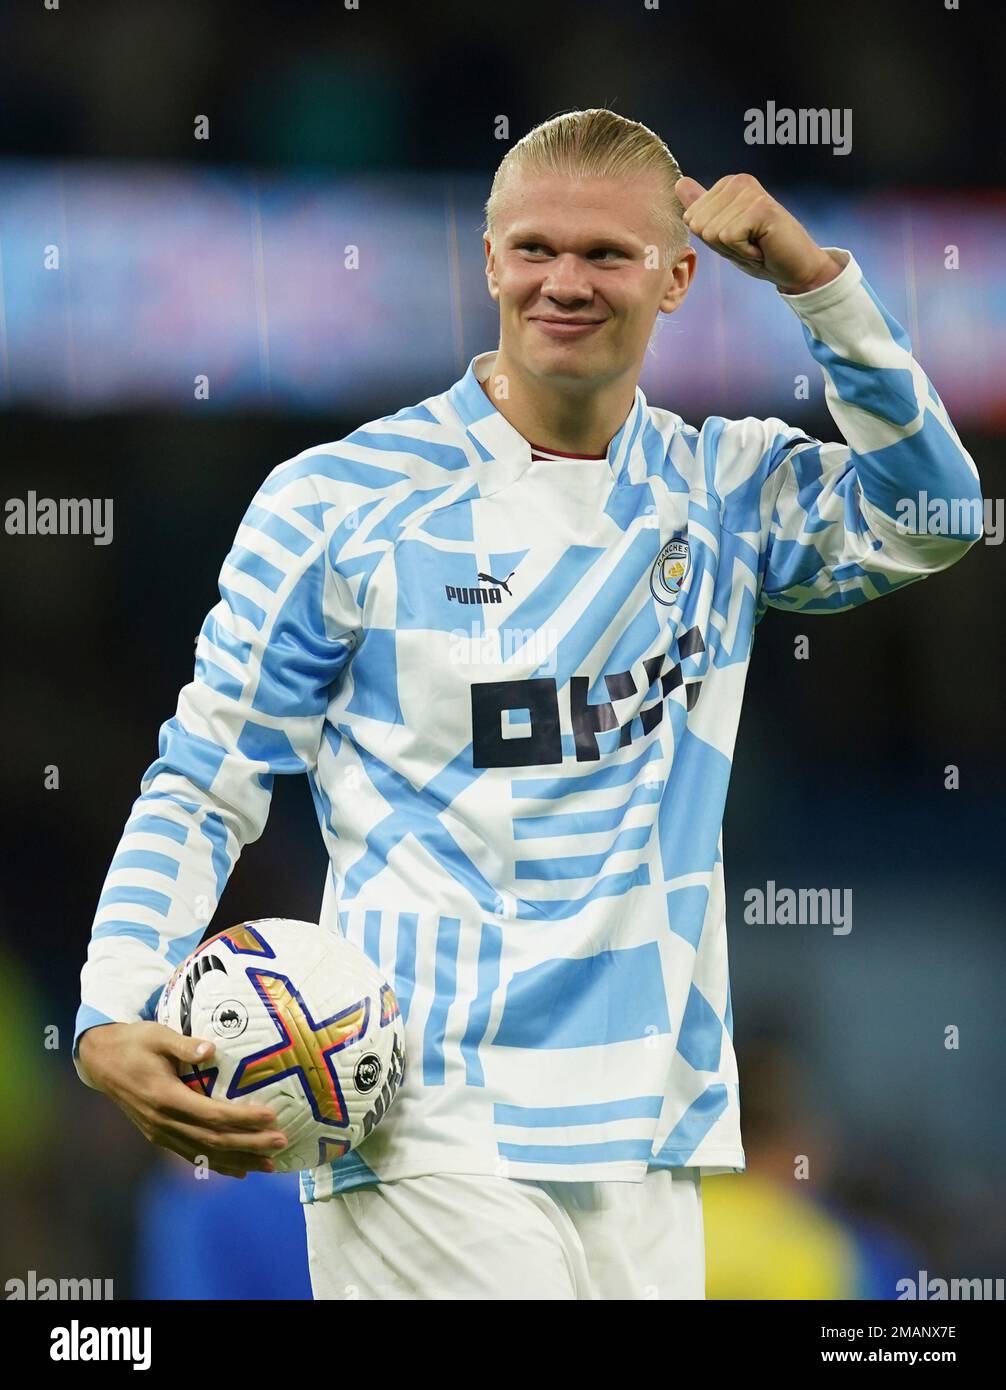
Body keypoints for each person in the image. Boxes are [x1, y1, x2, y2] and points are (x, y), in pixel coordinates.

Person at [74, 108, 983, 1300]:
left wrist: (821, 289)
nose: (564, 282)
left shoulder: (725, 492)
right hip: (423, 1122)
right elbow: (205, 775)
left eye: (605, 255)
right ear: (488, 260)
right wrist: (108, 1009)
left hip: (653, 1136)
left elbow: (936, 516)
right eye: (534, 249)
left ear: (677, 278)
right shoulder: (338, 503)